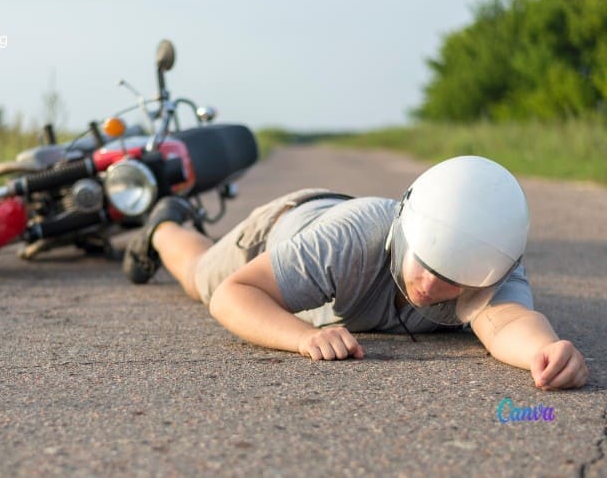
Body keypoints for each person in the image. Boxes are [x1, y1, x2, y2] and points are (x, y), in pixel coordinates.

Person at [122, 155, 589, 390]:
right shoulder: (351, 242)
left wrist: (545, 353)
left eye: (452, 279)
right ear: (408, 229)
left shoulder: (489, 257)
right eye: (423, 264)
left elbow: (508, 322)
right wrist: (301, 337)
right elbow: (233, 294)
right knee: (198, 275)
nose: (429, 286)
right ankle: (164, 222)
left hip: (335, 232)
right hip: (288, 225)